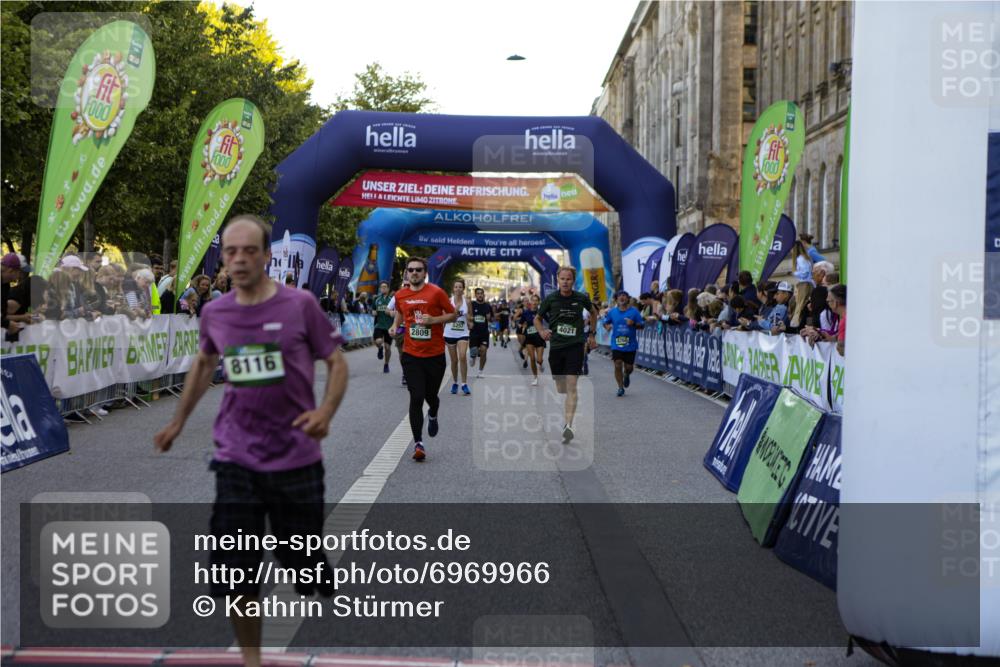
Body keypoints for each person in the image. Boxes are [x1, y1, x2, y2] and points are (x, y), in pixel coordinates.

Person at [154, 214, 348, 667]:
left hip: (296, 455)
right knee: (237, 572)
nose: (239, 260)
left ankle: (307, 560)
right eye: (231, 251)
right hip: (236, 456)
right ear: (223, 257)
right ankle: (252, 659)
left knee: (302, 565)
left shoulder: (300, 305)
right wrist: (179, 422)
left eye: (249, 251)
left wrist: (324, 413)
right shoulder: (216, 311)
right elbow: (204, 365)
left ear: (266, 256)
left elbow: (336, 364)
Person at [390, 258, 457, 461]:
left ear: (425, 273)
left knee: (431, 397)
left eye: (418, 270)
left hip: (435, 355)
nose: (414, 273)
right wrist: (395, 326)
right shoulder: (400, 294)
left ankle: (434, 414)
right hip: (411, 355)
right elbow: (401, 313)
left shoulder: (436, 292)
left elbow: (453, 315)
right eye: (411, 270)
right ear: (406, 273)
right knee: (416, 397)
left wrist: (434, 320)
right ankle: (418, 443)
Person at [535, 266, 597, 444]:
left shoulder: (581, 298)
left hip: (575, 346)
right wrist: (541, 332)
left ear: (573, 280)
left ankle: (568, 425)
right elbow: (537, 318)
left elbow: (593, 312)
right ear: (558, 280)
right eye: (562, 279)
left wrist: (591, 334)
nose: (565, 282)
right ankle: (567, 419)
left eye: (569, 279)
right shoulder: (551, 299)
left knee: (571, 386)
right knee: (561, 388)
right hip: (556, 348)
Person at [602, 290, 643, 397]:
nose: (622, 298)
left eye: (624, 296)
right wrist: (607, 327)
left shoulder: (634, 312)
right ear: (616, 299)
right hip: (616, 344)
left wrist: (633, 323)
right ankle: (620, 387)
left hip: (630, 345)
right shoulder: (612, 312)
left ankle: (627, 374)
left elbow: (642, 325)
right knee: (617, 364)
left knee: (629, 368)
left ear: (627, 299)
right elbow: (605, 322)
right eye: (620, 296)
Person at [443, 278, 471, 395]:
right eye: (456, 287)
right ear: (453, 289)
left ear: (463, 289)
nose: (458, 289)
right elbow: (445, 317)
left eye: (460, 287)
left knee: (463, 357)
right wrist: (455, 310)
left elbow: (470, 318)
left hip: (463, 333)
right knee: (454, 361)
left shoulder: (467, 302)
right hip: (450, 333)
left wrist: (470, 321)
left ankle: (464, 384)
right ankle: (455, 382)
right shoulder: (448, 301)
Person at [370, 281, 395, 373]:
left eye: (385, 287)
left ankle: (386, 364)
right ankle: (380, 348)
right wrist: (373, 312)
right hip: (379, 325)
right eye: (381, 287)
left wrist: (393, 313)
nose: (383, 289)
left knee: (388, 348)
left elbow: (396, 312)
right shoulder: (377, 299)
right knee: (378, 341)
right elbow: (373, 310)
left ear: (388, 289)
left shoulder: (392, 300)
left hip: (389, 326)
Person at [521, 294, 545, 385]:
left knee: (539, 360)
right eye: (533, 300)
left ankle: (541, 364)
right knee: (532, 359)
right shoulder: (526, 312)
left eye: (536, 301)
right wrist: (521, 326)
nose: (534, 302)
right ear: (530, 301)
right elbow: (521, 322)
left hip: (539, 338)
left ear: (538, 302)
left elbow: (550, 320)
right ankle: (535, 377)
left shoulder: (541, 312)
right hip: (529, 338)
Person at [469, 287, 492, 378]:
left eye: (481, 293)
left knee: (483, 351)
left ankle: (480, 371)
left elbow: (490, 318)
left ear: (484, 295)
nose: (480, 295)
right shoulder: (472, 304)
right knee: (474, 350)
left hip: (484, 333)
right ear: (475, 295)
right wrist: (471, 320)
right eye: (478, 293)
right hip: (474, 332)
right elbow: (468, 316)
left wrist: (489, 316)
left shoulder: (487, 306)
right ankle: (473, 356)